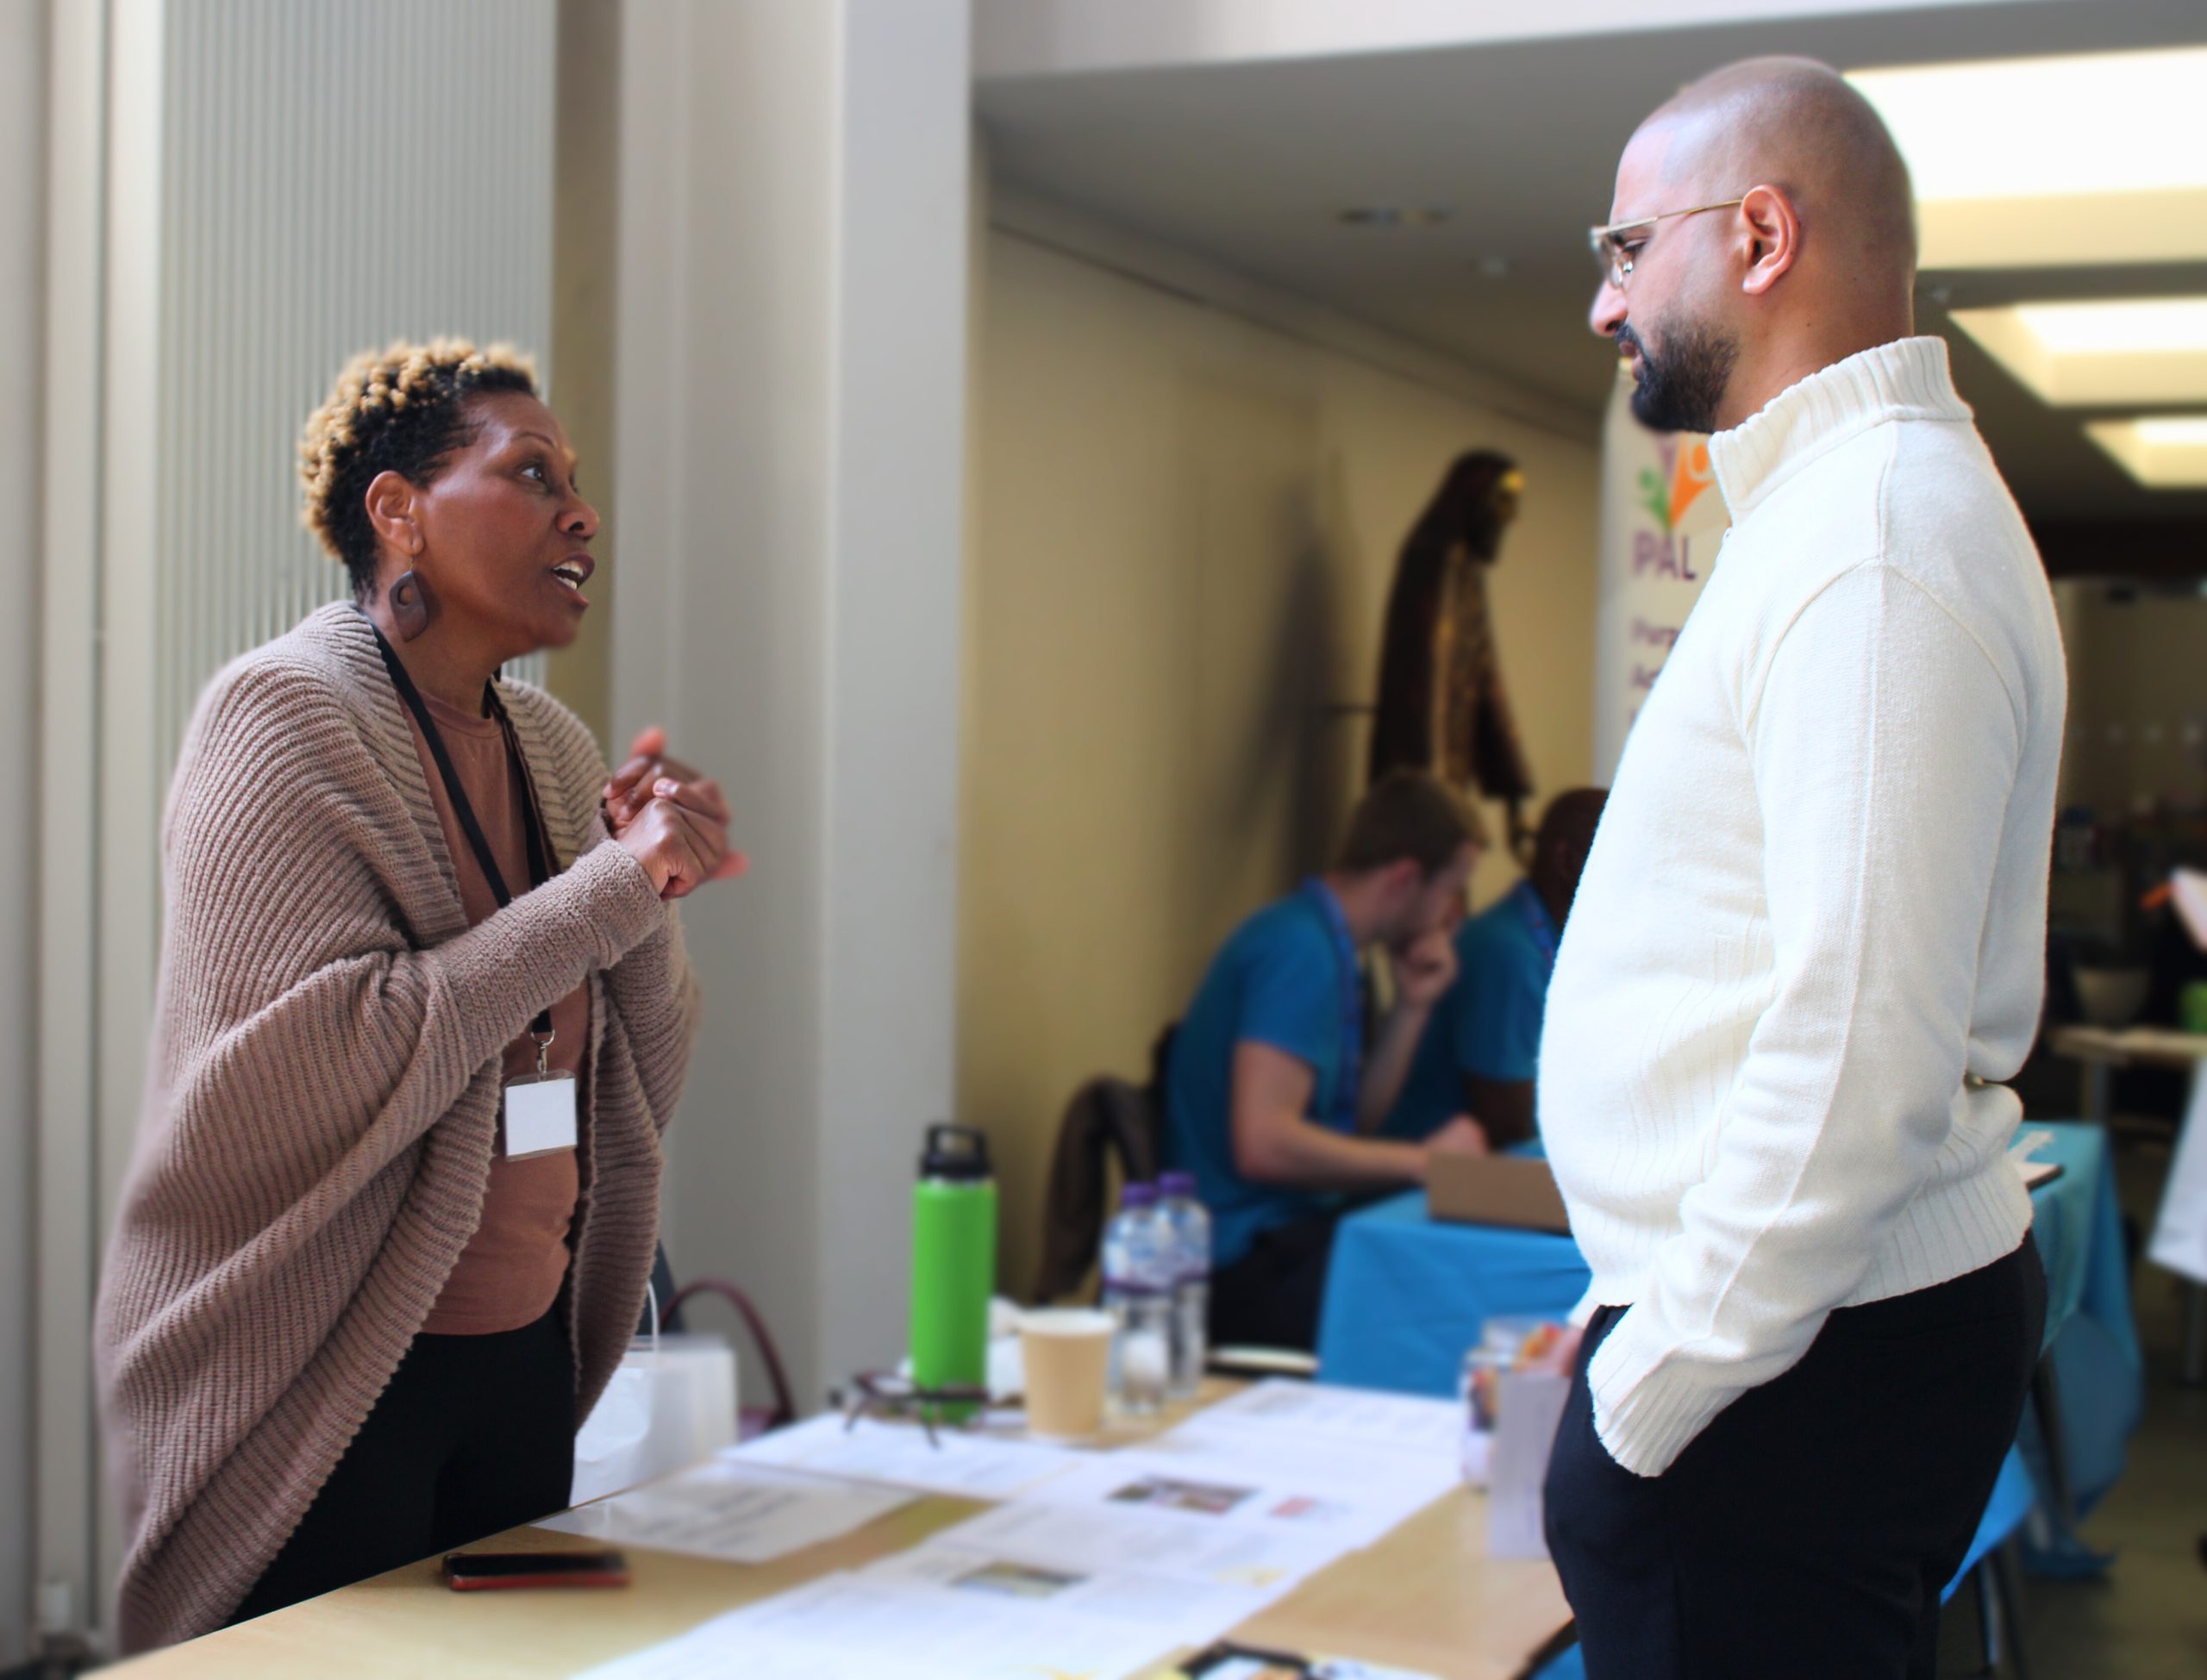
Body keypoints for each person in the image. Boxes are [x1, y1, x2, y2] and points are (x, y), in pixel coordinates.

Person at [93, 340, 745, 1651]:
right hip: (323, 1366)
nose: (583, 511)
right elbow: (333, 1054)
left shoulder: (551, 746)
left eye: (579, 483)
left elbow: (641, 1072)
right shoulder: (279, 716)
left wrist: (651, 895)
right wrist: (610, 892)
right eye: (532, 474)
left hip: (520, 1358)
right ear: (398, 512)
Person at [1538, 60, 2063, 1680]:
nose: (1602, 306)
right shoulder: (1829, 513)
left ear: (1761, 234)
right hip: (1788, 1340)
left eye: (1629, 250)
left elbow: (1860, 1045)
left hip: (1794, 1362)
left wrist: (1652, 1390)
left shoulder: (1877, 542)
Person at [1162, 770, 1493, 1352]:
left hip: (1275, 1242)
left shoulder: (1326, 945)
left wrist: (1413, 1008)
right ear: (1404, 879)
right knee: (1451, 1294)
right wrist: (1425, 1161)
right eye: (1449, 892)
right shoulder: (1300, 952)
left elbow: (1346, 1127)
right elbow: (1264, 1143)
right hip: (1243, 1264)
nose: (1449, 917)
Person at [1383, 789, 1607, 1146]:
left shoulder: (1548, 939)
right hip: (1415, 1185)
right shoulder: (1508, 953)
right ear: (1567, 862)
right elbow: (1512, 1127)